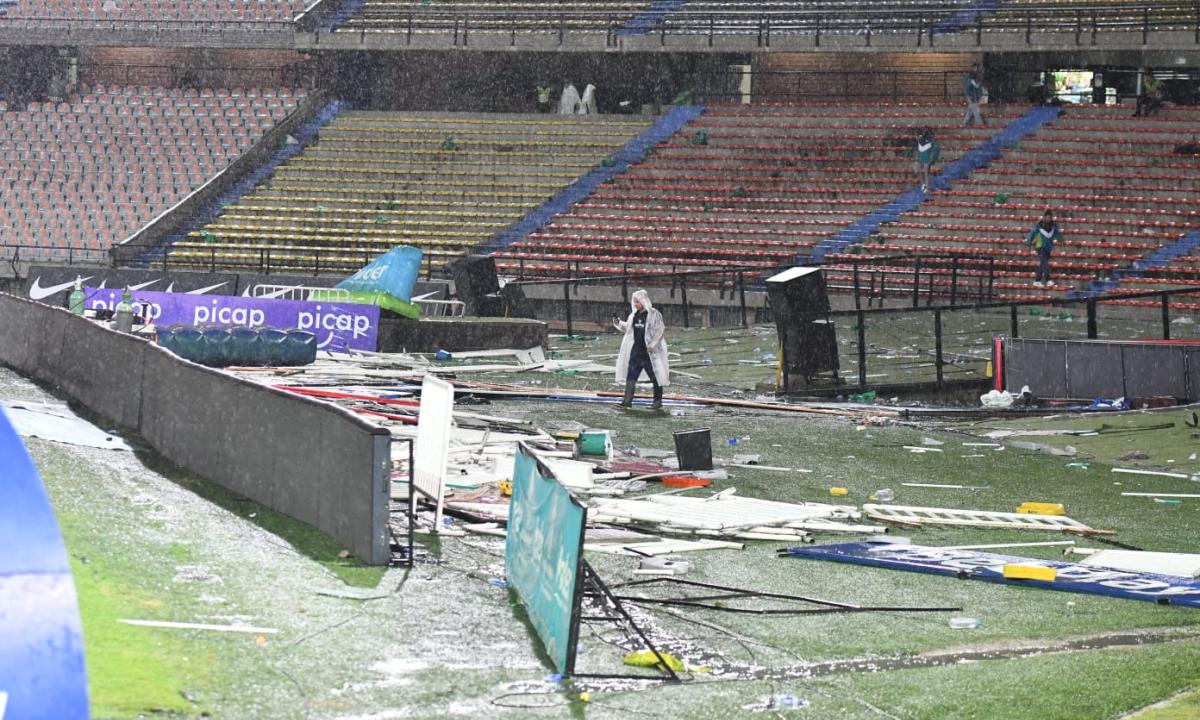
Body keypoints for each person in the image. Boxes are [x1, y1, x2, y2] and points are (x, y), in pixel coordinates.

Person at [613, 290, 669, 409]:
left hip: (648, 353)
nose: (636, 304)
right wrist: (618, 323)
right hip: (636, 352)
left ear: (644, 301)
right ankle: (627, 401)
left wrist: (652, 345)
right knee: (631, 377)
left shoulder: (654, 314)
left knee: (655, 377)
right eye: (634, 302)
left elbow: (660, 330)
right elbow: (628, 329)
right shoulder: (634, 315)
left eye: (638, 301)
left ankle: (657, 402)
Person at [1025, 210, 1063, 286]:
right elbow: (1031, 234)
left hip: (1048, 247)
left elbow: (1057, 233)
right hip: (1040, 246)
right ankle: (1048, 279)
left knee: (1043, 264)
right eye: (1047, 217)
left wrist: (1060, 239)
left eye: (1050, 217)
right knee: (1045, 263)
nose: (1049, 219)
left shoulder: (1053, 225)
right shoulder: (1039, 225)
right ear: (1044, 217)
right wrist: (1028, 244)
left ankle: (1037, 281)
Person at [911, 127, 940, 193]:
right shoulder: (920, 138)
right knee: (916, 169)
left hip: (927, 157)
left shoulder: (929, 139)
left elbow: (934, 147)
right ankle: (923, 184)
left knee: (926, 172)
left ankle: (927, 187)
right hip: (921, 156)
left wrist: (931, 159)